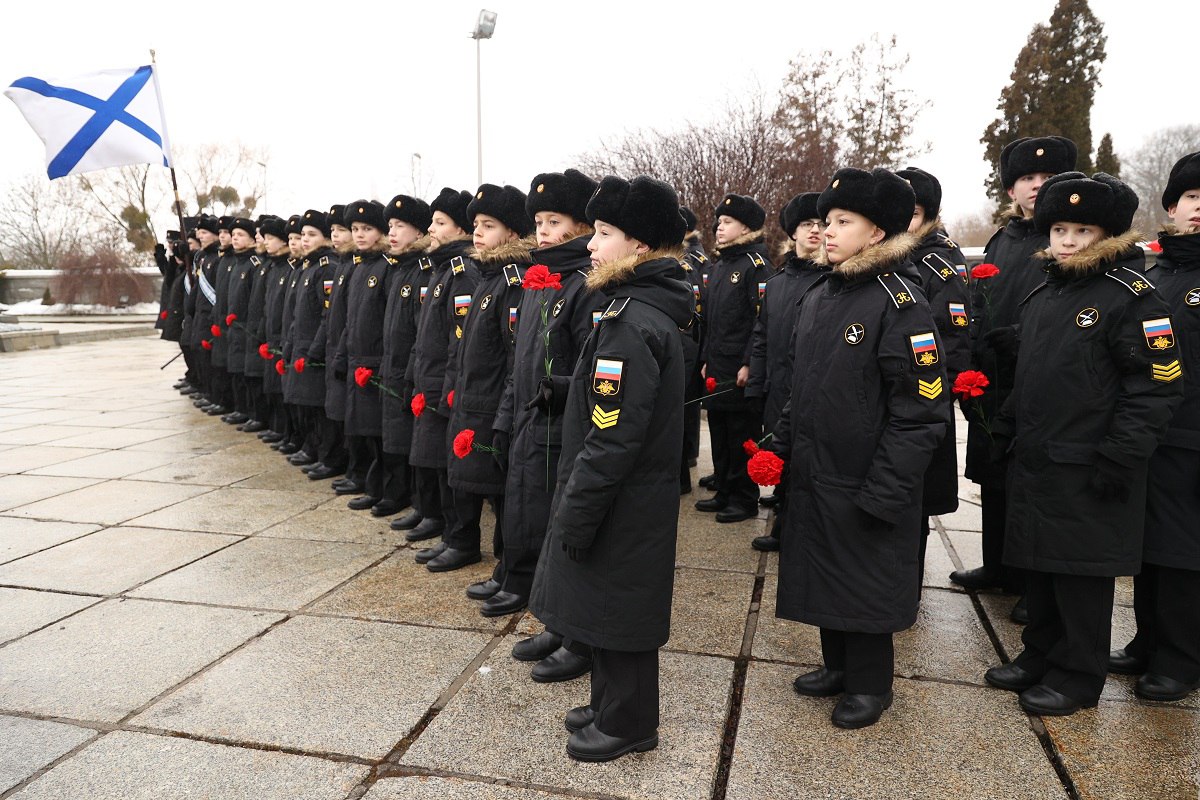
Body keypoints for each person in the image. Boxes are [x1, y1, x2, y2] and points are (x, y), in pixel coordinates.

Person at [983, 171, 1184, 716]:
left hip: (1093, 461)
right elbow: (1033, 373)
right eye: (1060, 229)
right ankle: (1039, 653)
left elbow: (1157, 384)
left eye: (1083, 230)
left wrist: (1121, 453)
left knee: (1081, 575)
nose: (1068, 241)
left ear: (1108, 235)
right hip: (1041, 455)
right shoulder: (1047, 289)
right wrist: (1005, 425)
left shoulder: (1130, 296)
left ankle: (1076, 675)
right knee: (1041, 564)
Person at [774, 167, 950, 730]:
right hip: (820, 467)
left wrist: (887, 488)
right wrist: (780, 444)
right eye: (825, 221)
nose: (826, 231)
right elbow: (801, 384)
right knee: (825, 567)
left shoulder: (901, 304)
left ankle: (870, 683)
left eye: (841, 222)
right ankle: (837, 666)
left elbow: (921, 412)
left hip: (868, 476)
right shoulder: (822, 292)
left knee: (865, 579)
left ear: (877, 232)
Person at [530, 174, 691, 762]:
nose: (591, 246)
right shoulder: (629, 309)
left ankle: (629, 722)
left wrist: (577, 505)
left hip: (625, 494)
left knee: (619, 607)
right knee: (602, 598)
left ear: (641, 245)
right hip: (626, 490)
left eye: (603, 234)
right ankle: (607, 705)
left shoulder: (630, 322)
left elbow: (613, 437)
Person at [953, 137, 1078, 624]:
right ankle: (997, 565)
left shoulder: (1066, 240)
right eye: (1027, 178)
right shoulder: (1002, 240)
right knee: (993, 474)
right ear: (1011, 189)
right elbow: (978, 301)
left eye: (1047, 179)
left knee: (1031, 483)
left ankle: (1033, 583)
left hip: (1041, 380)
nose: (1037, 186)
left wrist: (1024, 339)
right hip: (993, 379)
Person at [493, 169, 599, 683]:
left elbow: (584, 364)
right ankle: (551, 617)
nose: (543, 231)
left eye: (554, 221)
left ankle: (573, 631)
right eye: (538, 221)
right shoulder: (540, 280)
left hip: (563, 425)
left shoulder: (582, 284)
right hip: (532, 421)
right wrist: (506, 416)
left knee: (562, 526)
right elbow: (522, 359)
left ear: (580, 227)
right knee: (532, 514)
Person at [1109, 151, 1200, 702]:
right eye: (1192, 197)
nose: (1199, 209)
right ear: (1171, 205)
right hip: (1150, 433)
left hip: (1194, 437)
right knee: (1147, 546)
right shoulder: (1152, 272)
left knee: (1187, 554)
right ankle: (1148, 640)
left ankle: (1182, 658)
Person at [434, 184, 534, 574]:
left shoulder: (512, 282)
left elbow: (514, 357)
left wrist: (503, 412)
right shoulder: (488, 276)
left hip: (492, 400)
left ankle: (506, 565)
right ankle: (463, 542)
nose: (477, 232)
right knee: (466, 477)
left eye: (488, 225)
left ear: (511, 232)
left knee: (498, 490)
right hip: (471, 394)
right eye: (475, 224)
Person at [897, 167, 972, 588]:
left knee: (916, 491)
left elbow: (953, 333)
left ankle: (908, 581)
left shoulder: (936, 259)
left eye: (913, 212)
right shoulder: (893, 251)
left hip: (923, 393)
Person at [745, 192, 827, 552]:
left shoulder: (832, 279)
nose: (815, 230)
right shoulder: (776, 283)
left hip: (813, 390)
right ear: (792, 233)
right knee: (782, 456)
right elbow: (762, 335)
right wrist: (756, 386)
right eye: (807, 224)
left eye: (821, 224)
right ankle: (783, 524)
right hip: (778, 388)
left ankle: (799, 530)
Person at [407, 188, 477, 550]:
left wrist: (447, 388)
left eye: (440, 222)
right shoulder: (441, 270)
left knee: (450, 464)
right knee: (432, 457)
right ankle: (439, 523)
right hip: (430, 380)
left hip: (445, 386)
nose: (431, 229)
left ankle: (458, 537)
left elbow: (459, 341)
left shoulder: (462, 275)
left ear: (461, 229)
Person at [695, 193, 771, 523]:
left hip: (739, 368)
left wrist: (749, 363)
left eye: (727, 223)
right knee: (721, 433)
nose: (719, 228)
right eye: (719, 222)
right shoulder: (722, 265)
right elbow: (711, 320)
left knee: (742, 435)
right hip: (718, 364)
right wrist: (706, 359)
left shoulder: (756, 266)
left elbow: (761, 320)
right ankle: (724, 490)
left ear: (746, 227)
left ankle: (744, 498)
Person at [336, 200, 403, 517]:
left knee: (381, 433)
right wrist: (341, 354)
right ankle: (372, 485)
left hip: (377, 364)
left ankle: (389, 492)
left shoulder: (387, 268)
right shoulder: (360, 266)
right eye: (355, 229)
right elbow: (350, 319)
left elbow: (391, 323)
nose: (360, 235)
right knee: (364, 431)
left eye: (367, 229)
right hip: (357, 360)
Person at [378, 194, 434, 532]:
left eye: (400, 226)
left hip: (413, 371)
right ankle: (415, 501)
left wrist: (412, 373)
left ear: (419, 231)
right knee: (404, 441)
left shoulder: (422, 271)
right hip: (395, 367)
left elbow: (421, 331)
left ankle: (427, 508)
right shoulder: (399, 269)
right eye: (390, 226)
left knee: (419, 444)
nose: (393, 233)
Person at [311, 204, 355, 485]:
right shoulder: (345, 264)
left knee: (346, 417)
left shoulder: (340, 265)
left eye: (341, 230)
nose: (337, 235)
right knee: (337, 412)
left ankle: (344, 464)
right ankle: (338, 461)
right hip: (337, 349)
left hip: (351, 353)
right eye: (334, 230)